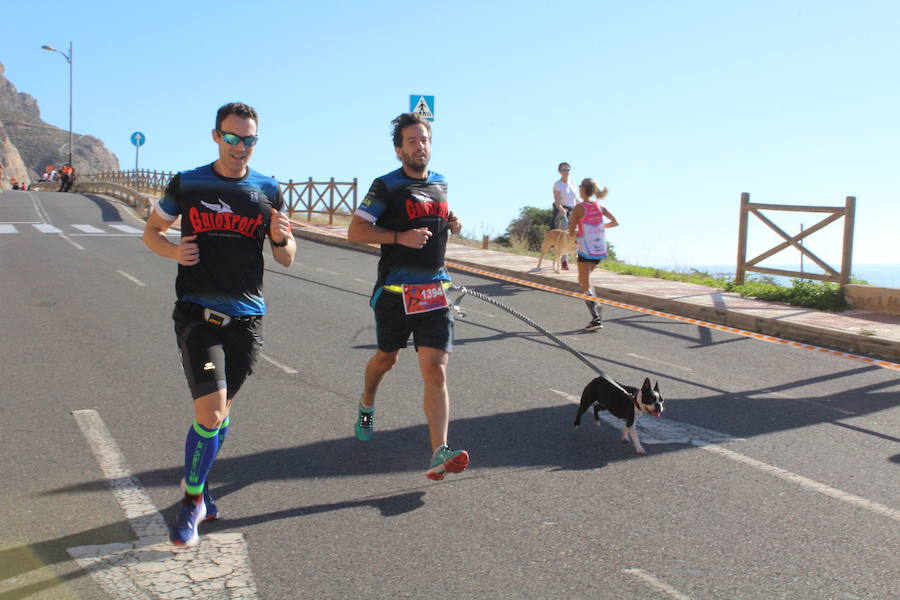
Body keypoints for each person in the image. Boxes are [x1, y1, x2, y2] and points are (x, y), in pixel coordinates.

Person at [142, 102, 296, 546]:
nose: (240, 147)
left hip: (246, 321)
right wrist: (174, 251)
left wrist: (282, 237)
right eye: (232, 138)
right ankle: (191, 502)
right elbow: (152, 232)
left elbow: (286, 257)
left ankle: (202, 484)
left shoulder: (267, 188)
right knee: (210, 410)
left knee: (220, 412)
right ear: (216, 136)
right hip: (197, 315)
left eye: (248, 140)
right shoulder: (189, 183)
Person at [347, 112, 468, 481]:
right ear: (399, 150)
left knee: (436, 370)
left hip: (433, 292)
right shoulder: (386, 185)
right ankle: (367, 402)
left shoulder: (441, 183)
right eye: (412, 141)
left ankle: (438, 452)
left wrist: (452, 222)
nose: (420, 146)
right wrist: (400, 238)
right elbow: (355, 231)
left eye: (425, 139)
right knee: (386, 359)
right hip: (396, 294)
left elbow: (437, 214)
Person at [568, 178, 619, 331]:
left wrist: (578, 233)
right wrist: (599, 226)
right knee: (585, 280)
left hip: (585, 250)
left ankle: (596, 317)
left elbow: (571, 232)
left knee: (583, 283)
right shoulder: (600, 207)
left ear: (583, 189)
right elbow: (615, 222)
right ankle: (595, 305)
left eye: (579, 187)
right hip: (599, 251)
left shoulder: (578, 208)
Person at [552, 162, 578, 270]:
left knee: (576, 235)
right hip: (562, 211)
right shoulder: (557, 184)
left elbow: (575, 200)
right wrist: (562, 209)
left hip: (573, 211)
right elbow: (557, 201)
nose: (565, 172)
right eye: (563, 170)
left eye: (567, 170)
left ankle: (578, 259)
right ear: (559, 171)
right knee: (565, 236)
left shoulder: (572, 183)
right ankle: (564, 261)